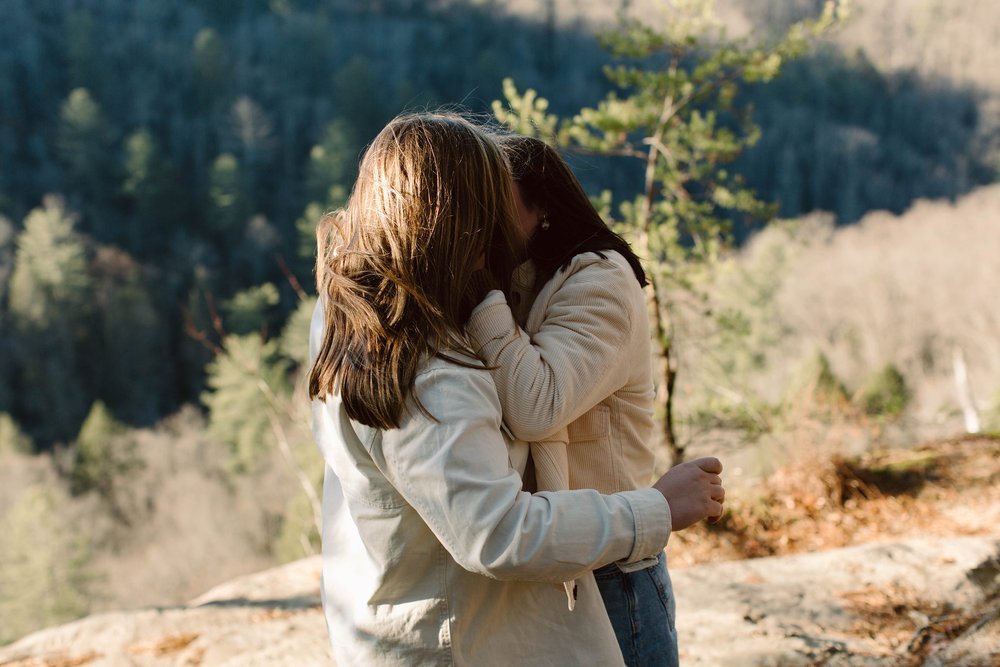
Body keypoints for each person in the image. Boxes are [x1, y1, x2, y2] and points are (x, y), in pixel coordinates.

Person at [308, 112, 725, 666]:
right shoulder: (428, 362)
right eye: (487, 209)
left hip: (453, 611)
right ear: (455, 223)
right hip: (468, 620)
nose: (499, 227)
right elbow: (499, 529)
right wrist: (656, 510)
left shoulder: (356, 312)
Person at [465, 134, 697, 666]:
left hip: (613, 568)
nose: (484, 224)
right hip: (552, 552)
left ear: (543, 205)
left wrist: (478, 290)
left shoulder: (600, 280)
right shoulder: (520, 275)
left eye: (497, 206)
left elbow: (535, 405)